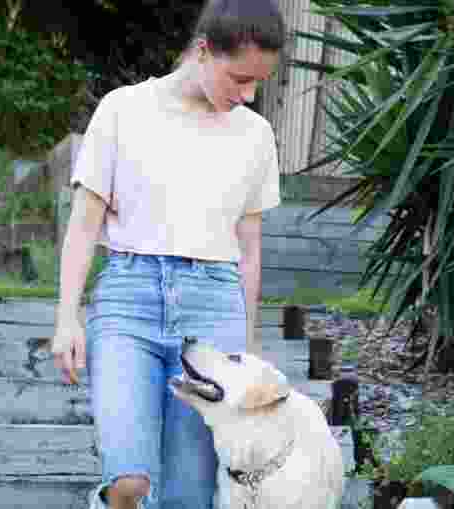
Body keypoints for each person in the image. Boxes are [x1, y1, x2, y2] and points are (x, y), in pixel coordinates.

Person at [50, 1, 286, 508]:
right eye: (240, 79)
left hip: (214, 309)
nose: (248, 95)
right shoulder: (122, 109)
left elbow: (249, 251)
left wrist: (244, 351)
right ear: (203, 51)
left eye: (257, 84)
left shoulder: (255, 135)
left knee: (188, 495)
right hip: (127, 302)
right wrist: (67, 317)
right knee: (129, 479)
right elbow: (84, 224)